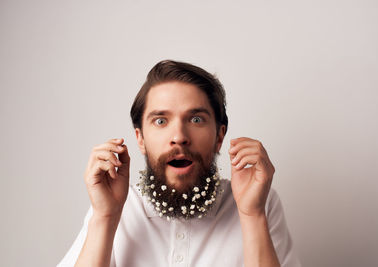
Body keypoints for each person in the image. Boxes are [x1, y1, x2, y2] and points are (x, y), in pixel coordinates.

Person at [58, 60, 301, 267]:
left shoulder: (260, 203)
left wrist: (252, 214)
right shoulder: (113, 208)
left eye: (196, 119)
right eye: (161, 121)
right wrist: (105, 217)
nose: (179, 136)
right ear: (140, 139)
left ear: (219, 136)